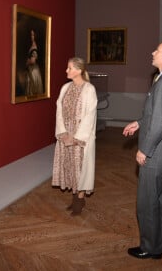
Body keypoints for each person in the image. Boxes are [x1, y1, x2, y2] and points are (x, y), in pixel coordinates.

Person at [124, 40, 162, 261]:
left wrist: (145, 150)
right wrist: (140, 122)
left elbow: (160, 122)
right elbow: (159, 114)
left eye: (157, 50)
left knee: (147, 204)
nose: (152, 52)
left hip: (156, 155)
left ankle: (151, 248)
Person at [52, 57, 97, 216]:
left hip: (80, 136)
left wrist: (76, 137)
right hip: (66, 132)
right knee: (69, 166)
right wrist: (63, 132)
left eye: (69, 68)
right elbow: (59, 110)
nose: (67, 71)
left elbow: (90, 116)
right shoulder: (65, 88)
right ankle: (74, 197)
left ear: (78, 70)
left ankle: (80, 199)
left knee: (80, 168)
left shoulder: (89, 89)